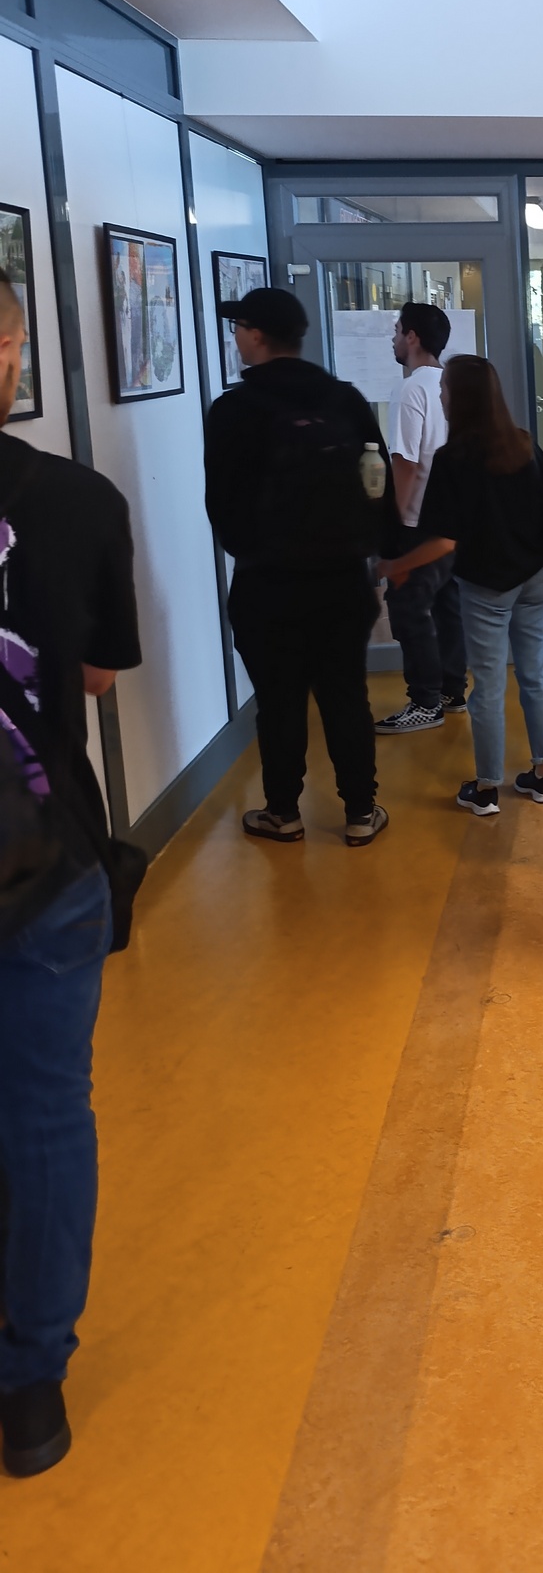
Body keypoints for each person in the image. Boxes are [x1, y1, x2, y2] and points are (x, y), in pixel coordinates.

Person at [0, 271, 141, 1477]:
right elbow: (96, 677)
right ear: (11, 353)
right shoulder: (80, 499)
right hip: (42, 856)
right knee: (45, 1111)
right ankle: (32, 1383)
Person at [205, 287, 392, 847]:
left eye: (239, 327)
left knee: (279, 701)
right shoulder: (346, 400)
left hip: (266, 583)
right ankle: (361, 812)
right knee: (346, 696)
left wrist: (256, 549)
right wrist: (369, 550)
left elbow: (221, 504)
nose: (236, 336)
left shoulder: (233, 410)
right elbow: (377, 482)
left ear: (257, 335)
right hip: (342, 580)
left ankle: (282, 812)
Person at [377, 356, 543, 815]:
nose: (441, 395)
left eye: (445, 388)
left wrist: (395, 565)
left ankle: (485, 788)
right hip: (535, 580)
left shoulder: (452, 458)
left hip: (486, 587)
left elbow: (444, 540)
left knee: (488, 686)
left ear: (461, 397)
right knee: (533, 676)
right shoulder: (523, 444)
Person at [375, 301, 468, 736]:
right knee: (448, 608)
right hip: (451, 523)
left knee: (410, 610)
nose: (393, 339)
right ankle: (451, 690)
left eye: (397, 331)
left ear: (412, 337)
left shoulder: (410, 389)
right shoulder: (449, 385)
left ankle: (424, 701)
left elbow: (406, 462)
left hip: (417, 523)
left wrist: (392, 526)